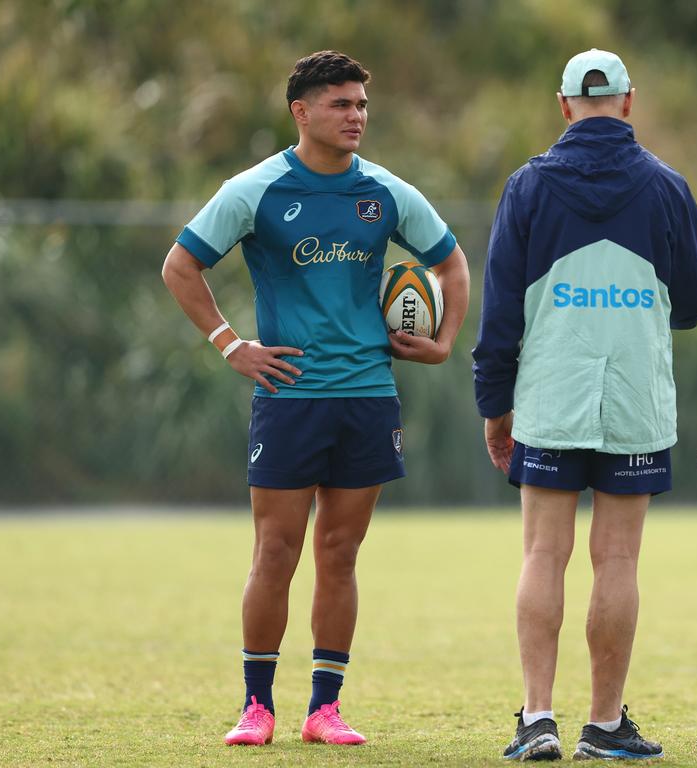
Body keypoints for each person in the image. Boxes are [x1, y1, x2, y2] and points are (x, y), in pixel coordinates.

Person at [161, 50, 469, 748]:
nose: (356, 115)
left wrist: (446, 339)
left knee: (340, 551)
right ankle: (256, 706)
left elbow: (450, 262)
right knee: (275, 551)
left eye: (361, 104)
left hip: (367, 395)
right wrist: (229, 343)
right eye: (341, 104)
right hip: (290, 396)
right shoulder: (257, 189)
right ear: (301, 112)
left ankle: (325, 709)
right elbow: (181, 265)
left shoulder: (386, 192)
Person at [473, 49, 697, 761]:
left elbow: (499, 316)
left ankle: (537, 720)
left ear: (563, 106)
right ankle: (605, 727)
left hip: (551, 391)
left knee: (544, 553)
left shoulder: (527, 186)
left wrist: (495, 406)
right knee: (617, 561)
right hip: (635, 394)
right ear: (629, 102)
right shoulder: (667, 187)